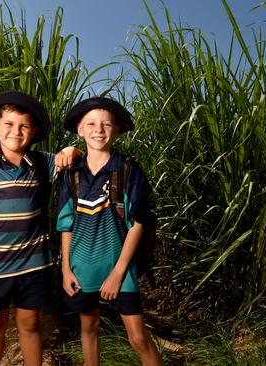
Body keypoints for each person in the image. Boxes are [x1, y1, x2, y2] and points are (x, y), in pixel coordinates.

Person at [0, 91, 79, 366]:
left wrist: (72, 150)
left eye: (24, 126)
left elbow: (74, 158)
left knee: (30, 323)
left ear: (33, 131)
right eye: (8, 124)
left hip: (34, 264)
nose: (16, 132)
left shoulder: (43, 163)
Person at [56, 97, 163, 366]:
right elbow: (66, 224)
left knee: (138, 337)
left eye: (106, 124)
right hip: (82, 267)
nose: (98, 130)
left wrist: (118, 273)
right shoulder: (72, 174)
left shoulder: (128, 169)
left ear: (116, 130)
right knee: (88, 327)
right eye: (91, 124)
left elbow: (138, 222)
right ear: (80, 130)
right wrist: (66, 269)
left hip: (120, 267)